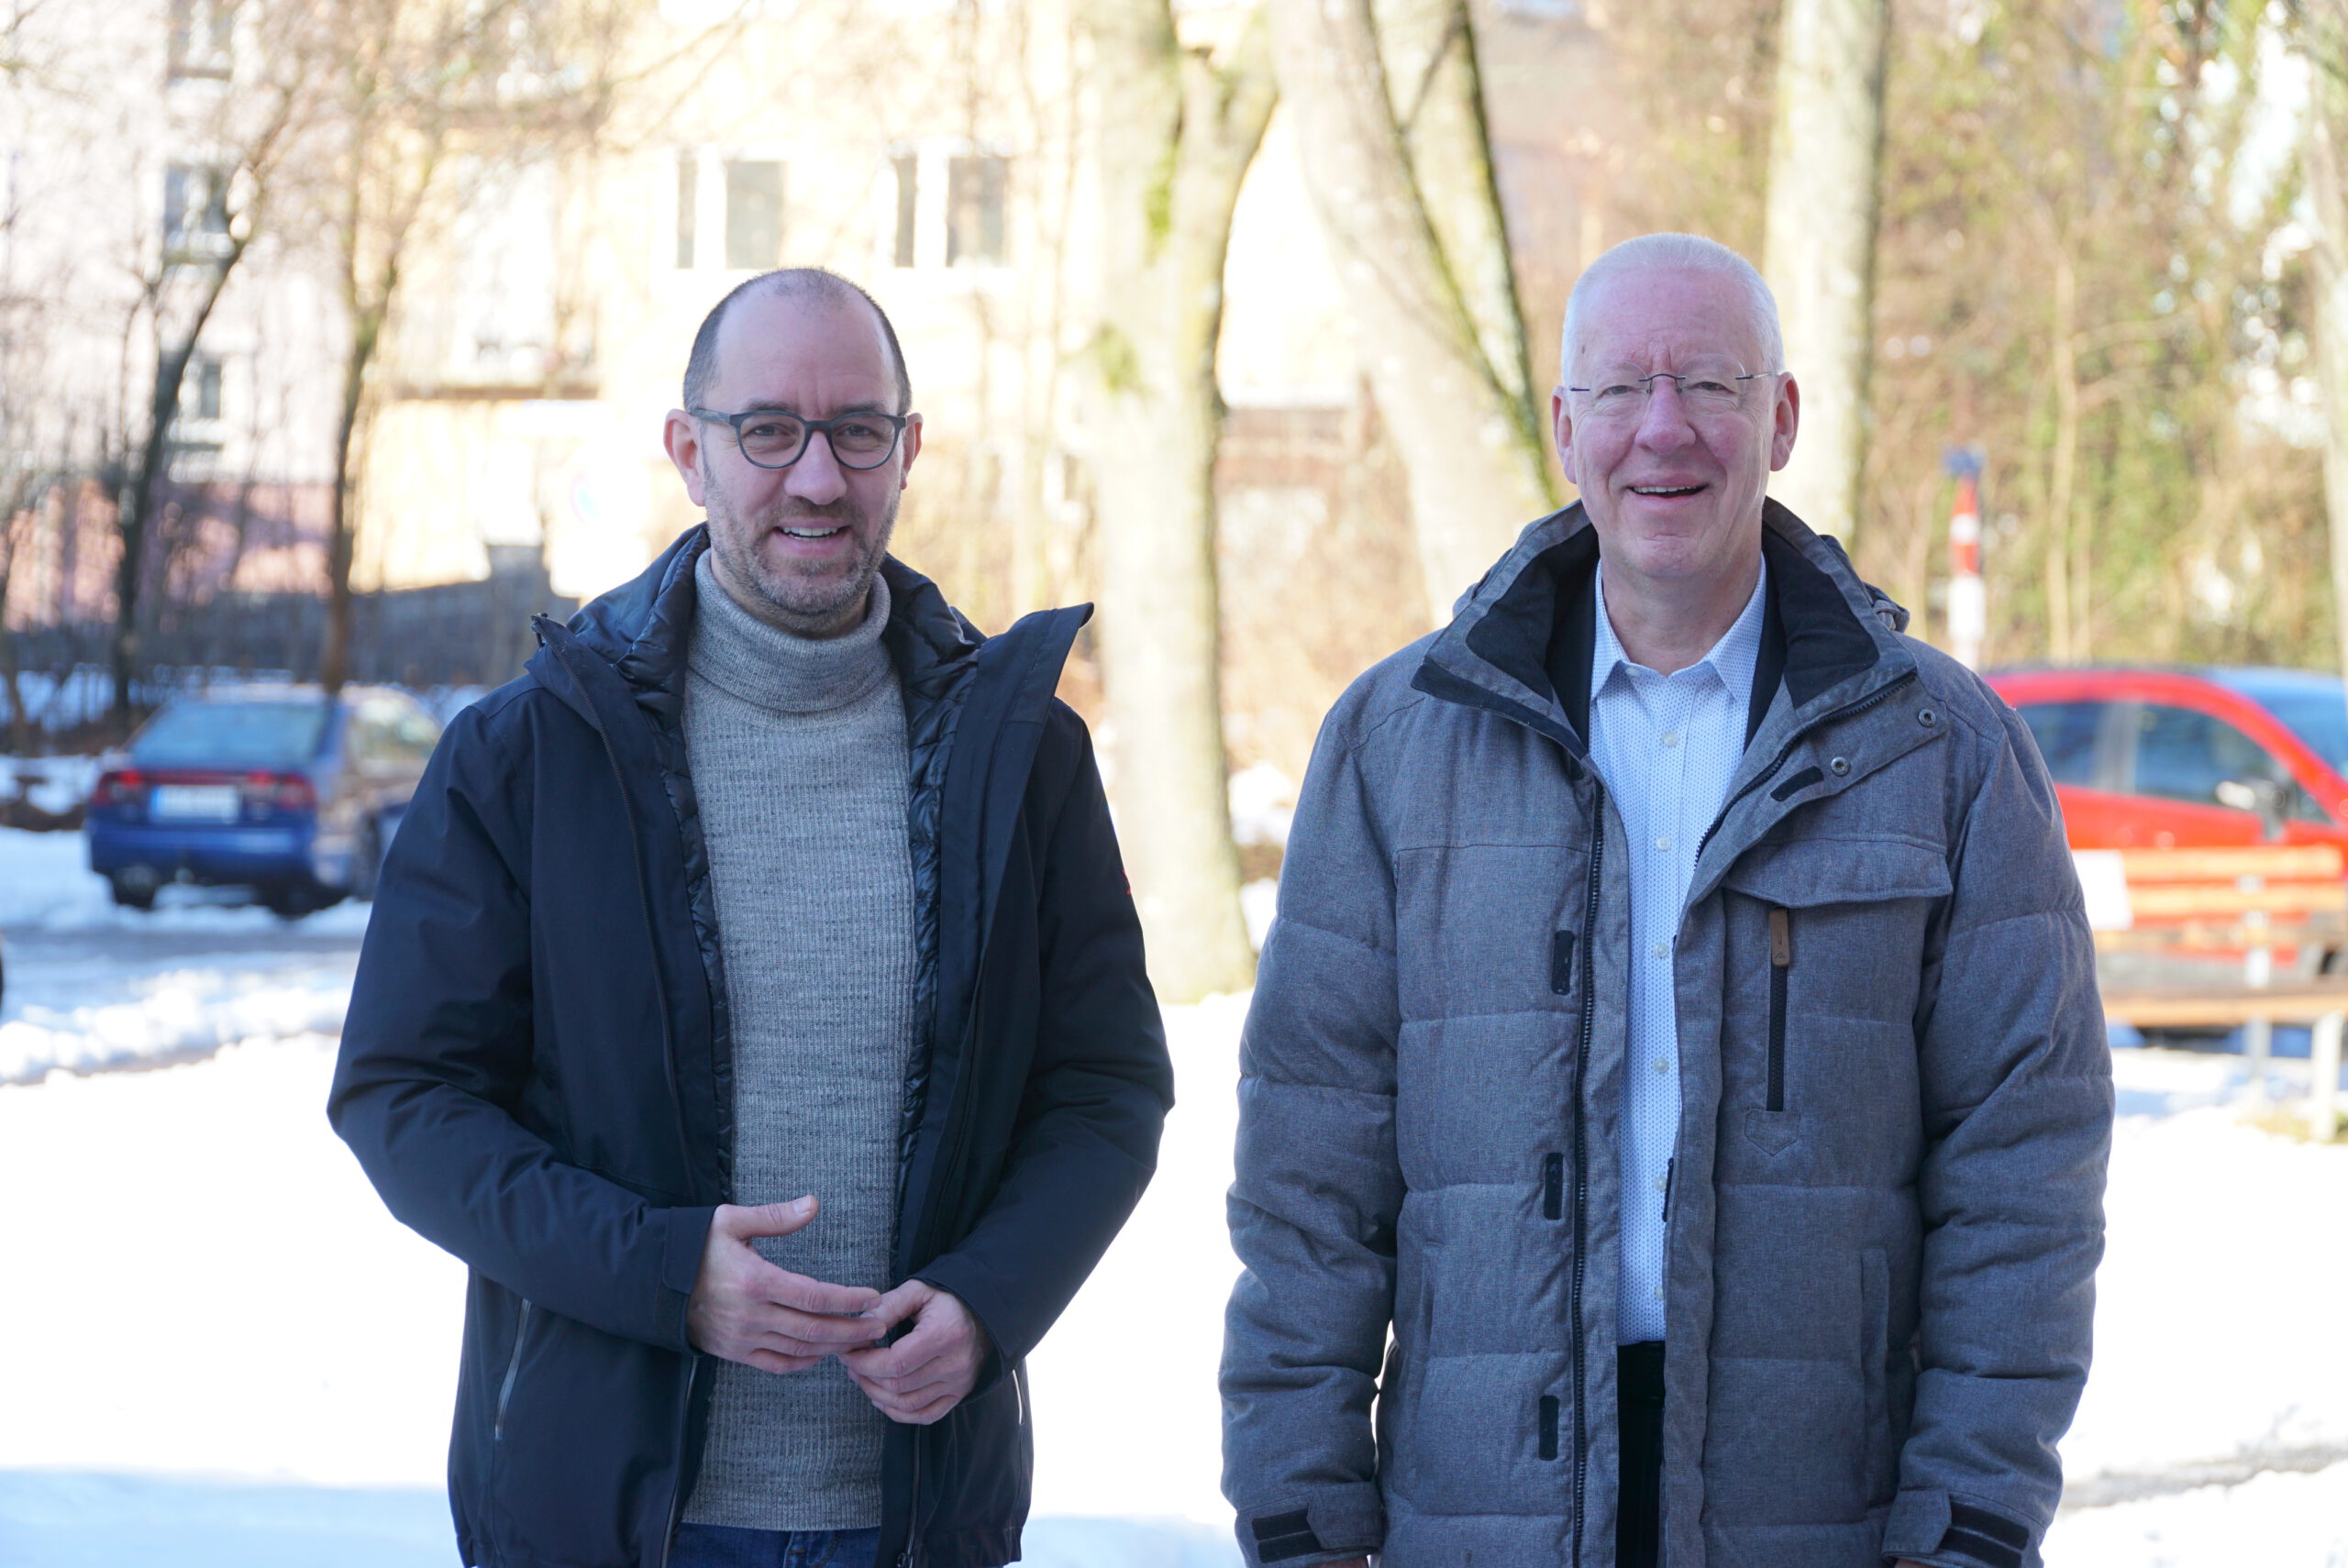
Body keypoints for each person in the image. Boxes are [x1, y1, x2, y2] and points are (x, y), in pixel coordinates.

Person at [1220, 233, 2111, 1568]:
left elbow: (2024, 1173)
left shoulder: (1944, 751)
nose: (1665, 432)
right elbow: (1311, 1163)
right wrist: (1301, 1509)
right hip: (1476, 1516)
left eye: (1709, 383)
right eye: (1622, 391)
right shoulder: (1398, 743)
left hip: (1826, 1519)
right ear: (1566, 426)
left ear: (1784, 417)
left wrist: (1970, 1523)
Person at [331, 267, 1171, 1568]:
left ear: (907, 450)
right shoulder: (533, 753)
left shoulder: (1022, 757)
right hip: (602, 1518)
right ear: (690, 450)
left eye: (857, 432)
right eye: (768, 429)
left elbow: (1106, 1088)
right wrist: (665, 1272)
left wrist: (995, 1296)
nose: (819, 480)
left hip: (917, 1518)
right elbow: (405, 1099)